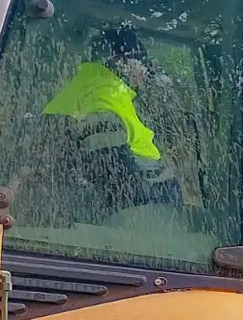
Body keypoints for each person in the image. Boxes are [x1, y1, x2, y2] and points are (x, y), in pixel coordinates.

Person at [41, 26, 181, 216]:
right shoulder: (105, 95)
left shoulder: (90, 87)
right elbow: (109, 172)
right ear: (123, 62)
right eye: (142, 64)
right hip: (129, 215)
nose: (145, 75)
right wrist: (158, 190)